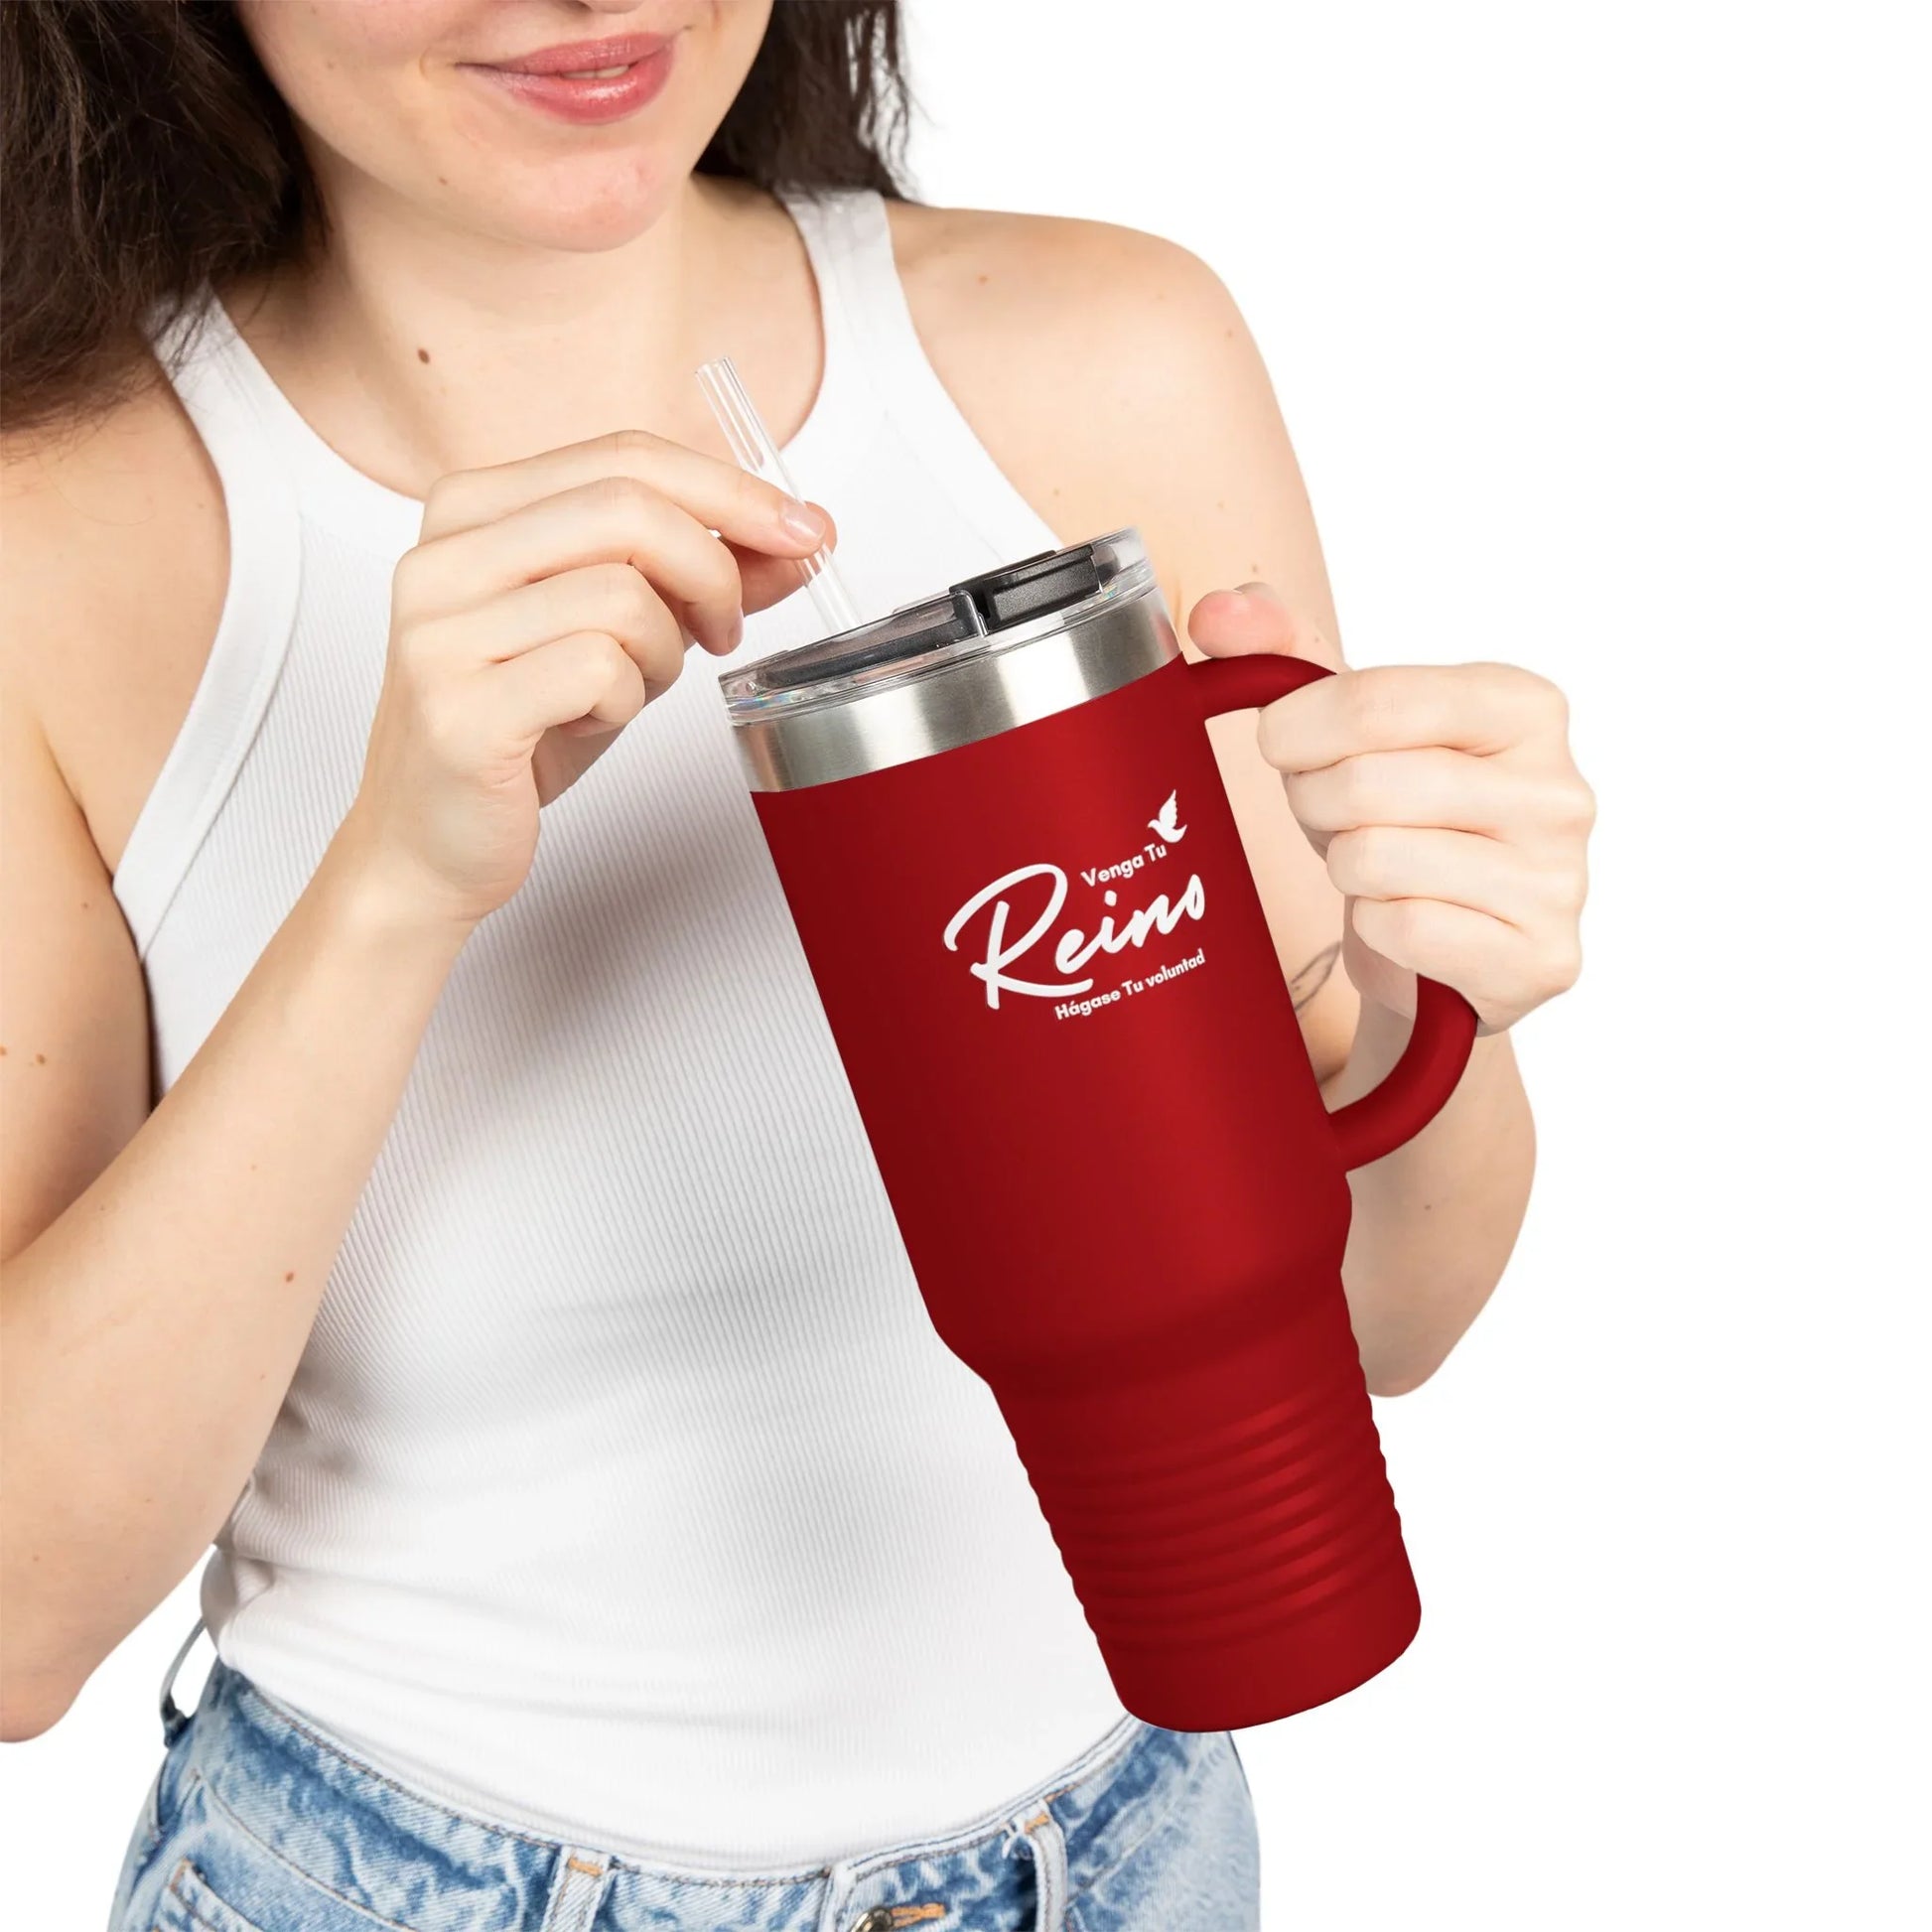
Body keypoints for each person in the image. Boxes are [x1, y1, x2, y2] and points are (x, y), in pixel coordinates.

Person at [0, 3, 1595, 1927]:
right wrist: (391, 885)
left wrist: (1432, 1004)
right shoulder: (53, 536)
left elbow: (1378, 1328)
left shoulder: (1101, 355)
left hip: (1126, 1854)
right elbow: (19, 1620)